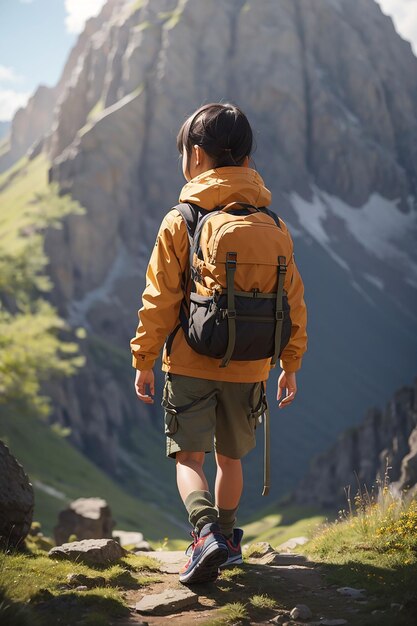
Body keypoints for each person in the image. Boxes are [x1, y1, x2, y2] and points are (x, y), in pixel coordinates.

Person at [130, 102, 307, 585]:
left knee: (189, 458)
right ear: (247, 161)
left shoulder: (181, 219)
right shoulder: (273, 224)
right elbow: (293, 300)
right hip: (251, 366)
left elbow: (159, 298)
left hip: (190, 359)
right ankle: (228, 542)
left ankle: (203, 534)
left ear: (197, 155)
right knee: (232, 459)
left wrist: (144, 358)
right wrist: (290, 363)